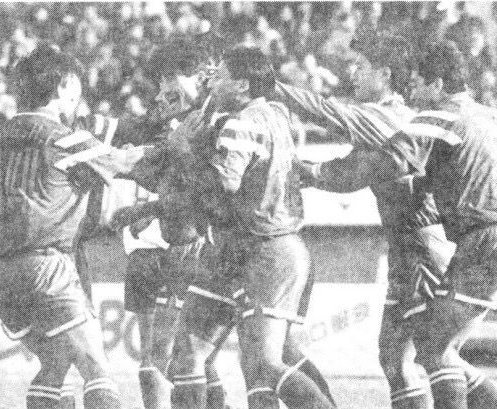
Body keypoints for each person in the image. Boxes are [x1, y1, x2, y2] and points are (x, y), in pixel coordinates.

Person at [300, 40, 497, 409]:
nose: (411, 91)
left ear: (438, 85)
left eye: (417, 84)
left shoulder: (438, 116)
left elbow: (385, 164)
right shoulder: (490, 117)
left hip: (483, 240)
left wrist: (315, 172)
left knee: (435, 349)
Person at [111, 46, 336, 409]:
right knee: (189, 355)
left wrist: (183, 151)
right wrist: (153, 205)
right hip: (233, 249)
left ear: (242, 85)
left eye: (220, 77)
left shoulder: (242, 123)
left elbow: (220, 187)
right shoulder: (274, 113)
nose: (213, 84)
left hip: (263, 250)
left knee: (265, 362)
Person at [0, 45, 148, 409]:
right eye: (77, 91)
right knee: (95, 367)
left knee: (56, 365)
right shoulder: (63, 137)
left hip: (1, 274)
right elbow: (125, 164)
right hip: (45, 266)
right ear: (64, 86)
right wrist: (162, 147)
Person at [75, 38, 232, 409]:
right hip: (163, 251)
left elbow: (200, 188)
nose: (161, 94)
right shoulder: (174, 123)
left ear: (203, 74)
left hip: (205, 249)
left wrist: (142, 207)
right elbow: (146, 152)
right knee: (178, 360)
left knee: (182, 359)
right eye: (159, 84)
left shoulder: (214, 121)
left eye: (169, 81)